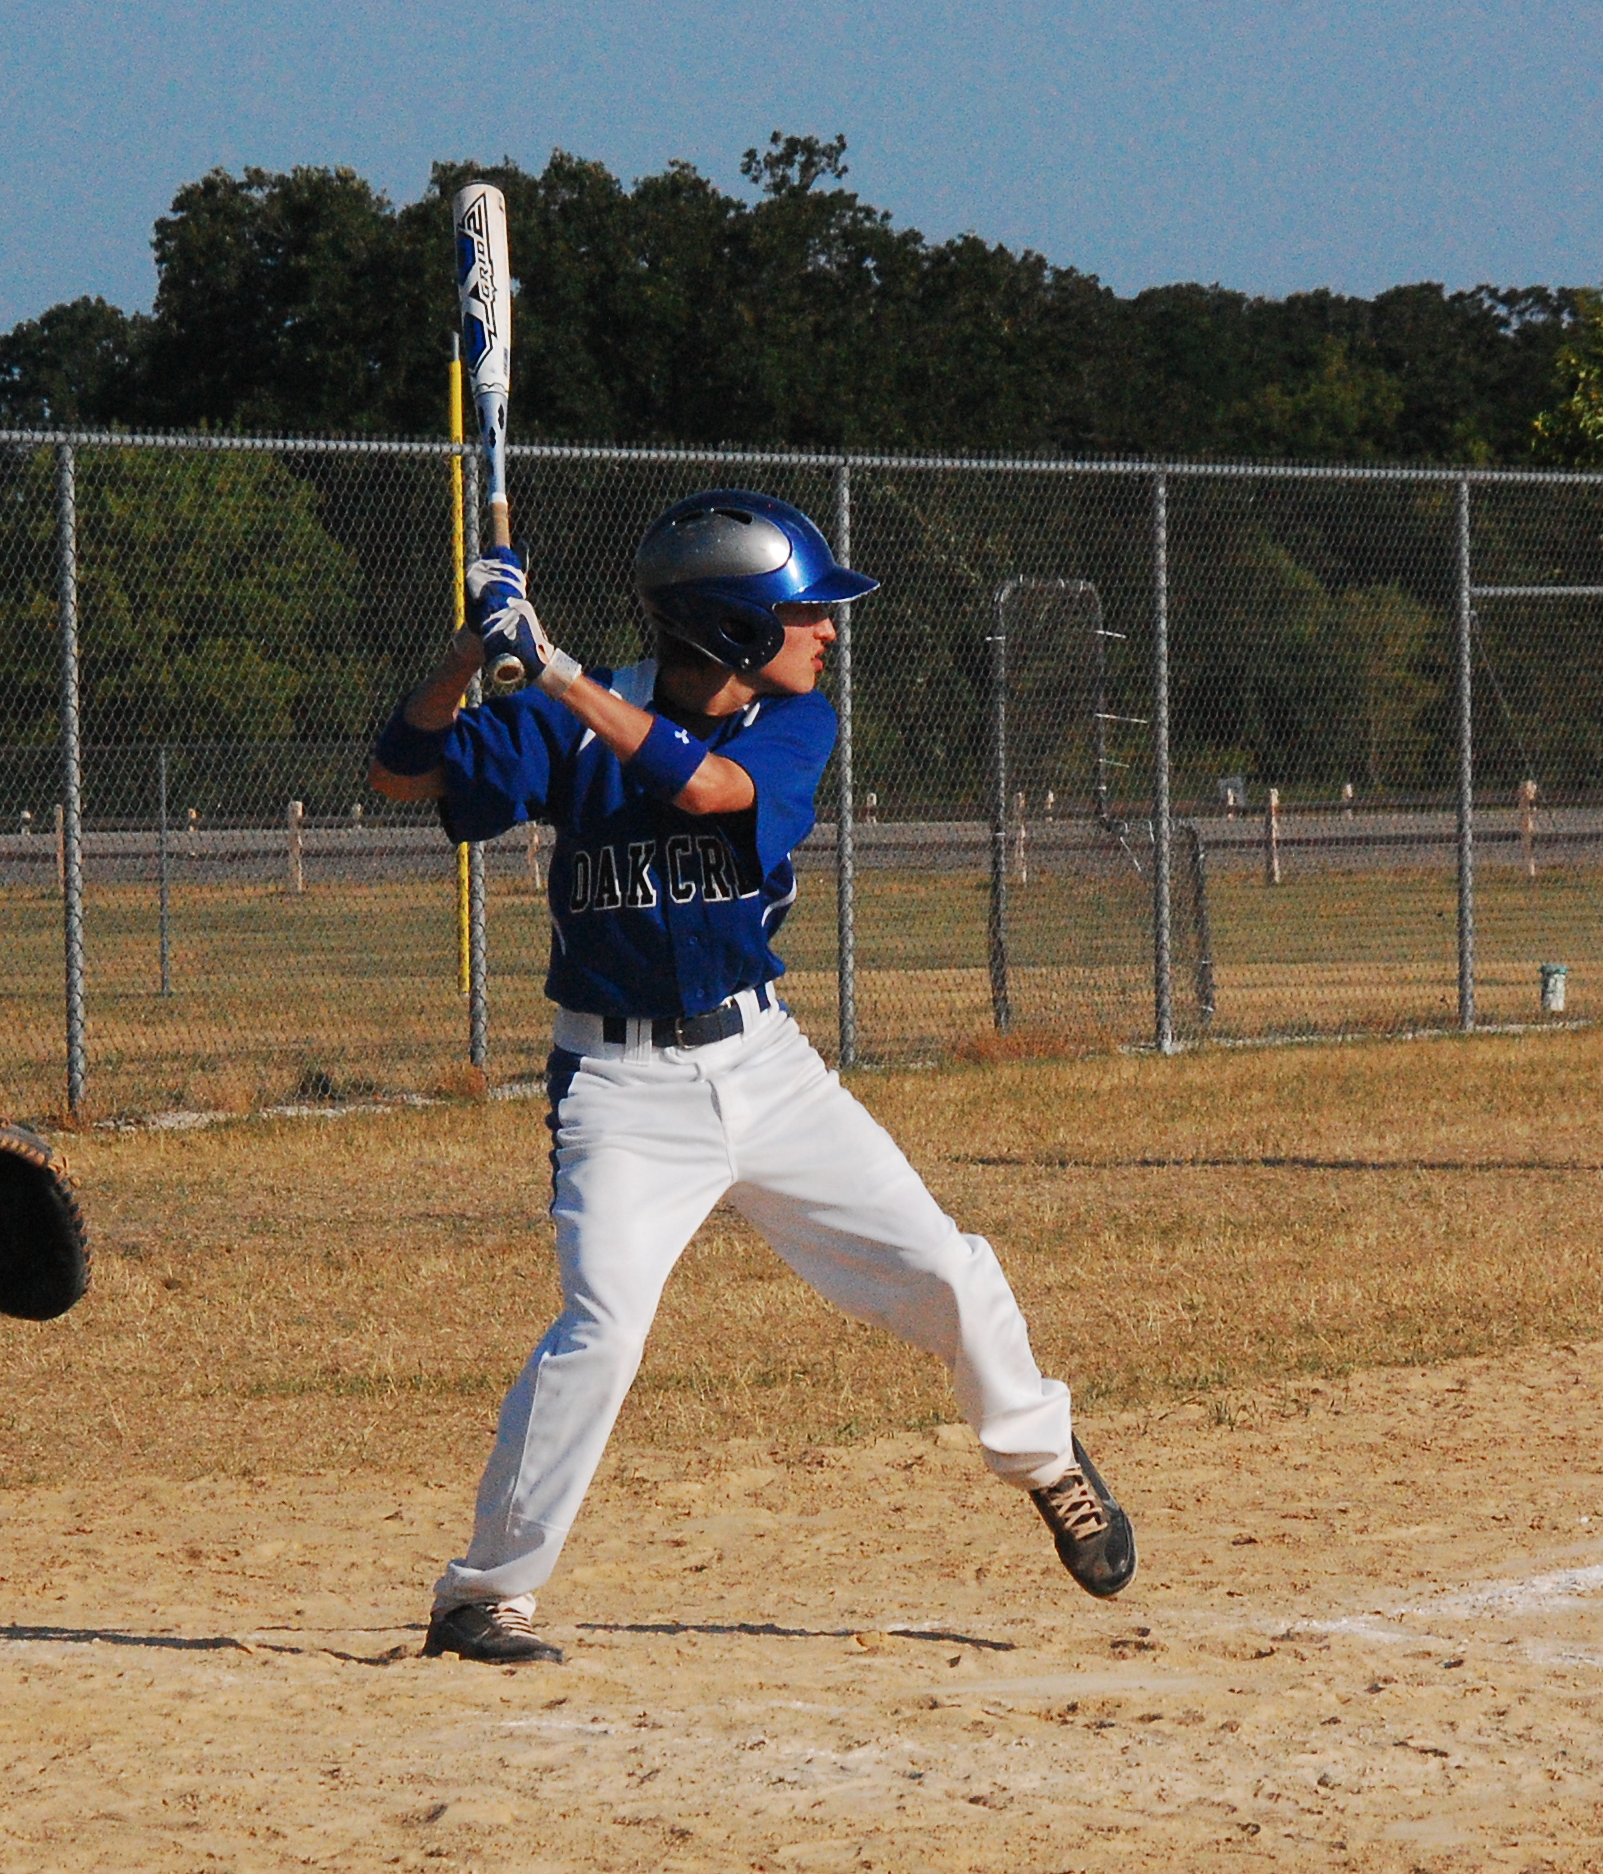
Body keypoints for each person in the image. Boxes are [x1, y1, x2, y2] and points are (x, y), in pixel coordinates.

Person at [367, 490, 1135, 1666]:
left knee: (943, 1266)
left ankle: (1043, 1457)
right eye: (802, 613)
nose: (825, 632)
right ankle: (483, 1594)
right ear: (730, 626)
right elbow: (401, 772)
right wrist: (472, 651)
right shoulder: (569, 719)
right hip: (617, 1084)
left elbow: (707, 792)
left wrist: (555, 672)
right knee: (600, 1329)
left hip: (764, 1064)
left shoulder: (790, 723)